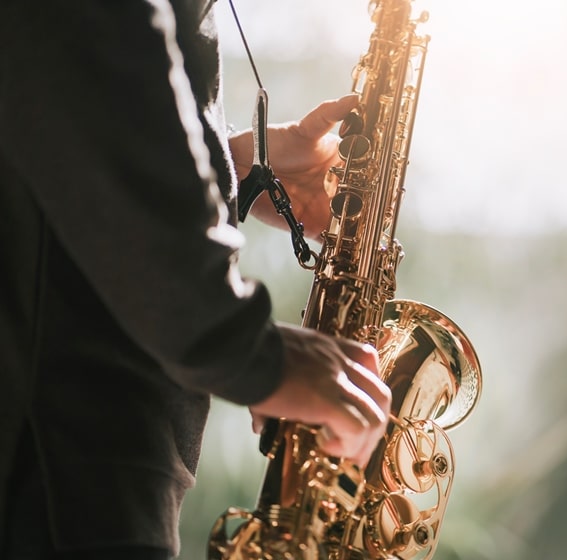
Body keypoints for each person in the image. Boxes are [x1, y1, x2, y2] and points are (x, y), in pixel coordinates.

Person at [0, 1, 391, 559]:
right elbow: (68, 38)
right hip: (56, 467)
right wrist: (246, 348)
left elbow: (80, 105)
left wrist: (234, 165)